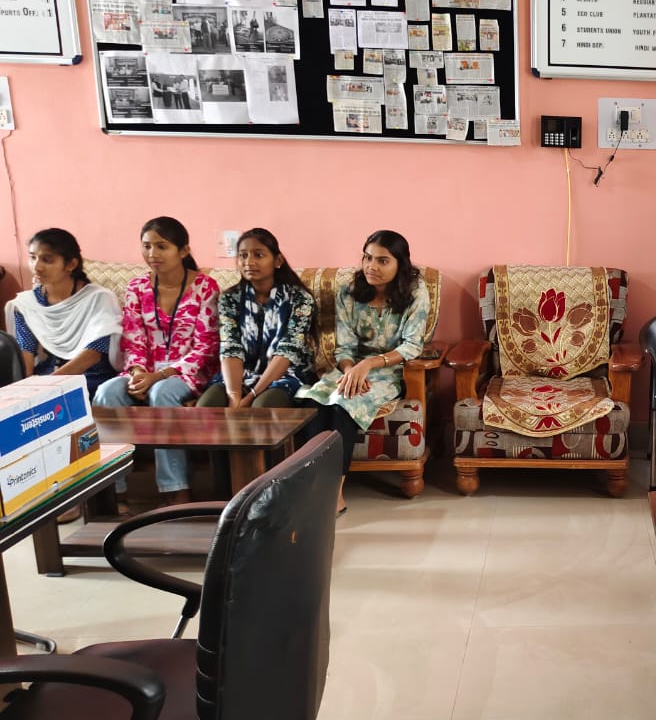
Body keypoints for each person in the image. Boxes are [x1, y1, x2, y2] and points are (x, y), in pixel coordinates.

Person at [295, 230, 430, 515]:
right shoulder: (349, 291)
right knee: (312, 401)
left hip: (390, 371)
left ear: (400, 264)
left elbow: (412, 346)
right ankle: (308, 487)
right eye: (368, 258)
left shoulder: (415, 292)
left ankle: (335, 493)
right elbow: (344, 348)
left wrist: (368, 365)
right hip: (350, 368)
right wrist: (349, 371)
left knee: (346, 403)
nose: (372, 266)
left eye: (383, 261)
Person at [94, 216, 220, 507]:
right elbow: (133, 339)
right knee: (107, 393)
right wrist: (139, 371)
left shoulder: (205, 287)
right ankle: (117, 488)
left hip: (189, 372)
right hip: (144, 371)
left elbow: (206, 347)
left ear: (183, 251)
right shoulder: (137, 288)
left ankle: (175, 488)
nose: (153, 254)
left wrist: (159, 377)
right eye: (147, 246)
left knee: (162, 394)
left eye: (162, 247)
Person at [198, 228, 316, 409]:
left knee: (261, 407)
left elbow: (287, 352)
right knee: (206, 406)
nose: (249, 262)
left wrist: (250, 397)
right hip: (241, 373)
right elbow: (231, 347)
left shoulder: (300, 299)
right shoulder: (231, 298)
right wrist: (234, 394)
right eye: (243, 256)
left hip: (287, 373)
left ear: (277, 261)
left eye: (258, 255)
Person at [12, 228, 122, 396]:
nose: (37, 266)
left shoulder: (99, 299)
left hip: (92, 378)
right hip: (46, 376)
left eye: (47, 260)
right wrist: (24, 393)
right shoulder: (28, 305)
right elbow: (26, 350)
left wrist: (50, 387)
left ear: (71, 264)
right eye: (33, 257)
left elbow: (93, 354)